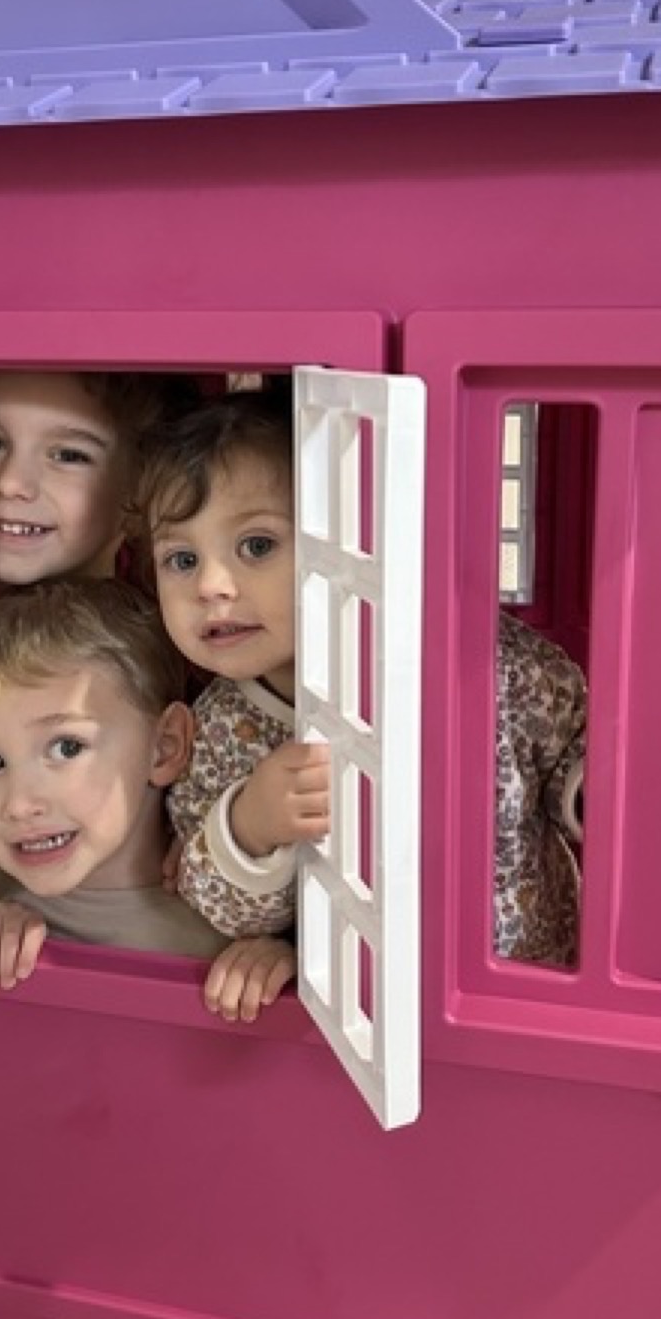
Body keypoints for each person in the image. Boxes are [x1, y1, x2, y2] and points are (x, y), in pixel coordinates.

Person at [142, 386, 586, 967]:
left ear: (354, 541)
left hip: (528, 974)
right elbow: (214, 903)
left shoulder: (486, 661)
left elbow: (575, 737)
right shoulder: (221, 729)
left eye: (256, 545)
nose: (210, 586)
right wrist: (250, 827)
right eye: (181, 560)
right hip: (363, 1011)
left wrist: (588, 789)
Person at [0, 578, 296, 1022]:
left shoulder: (239, 913)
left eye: (66, 748)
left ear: (163, 747)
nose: (19, 804)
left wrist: (280, 965)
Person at [0, 367, 194, 876]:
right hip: (14, 892)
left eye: (69, 455)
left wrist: (206, 838)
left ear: (139, 490)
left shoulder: (177, 599)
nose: (10, 484)